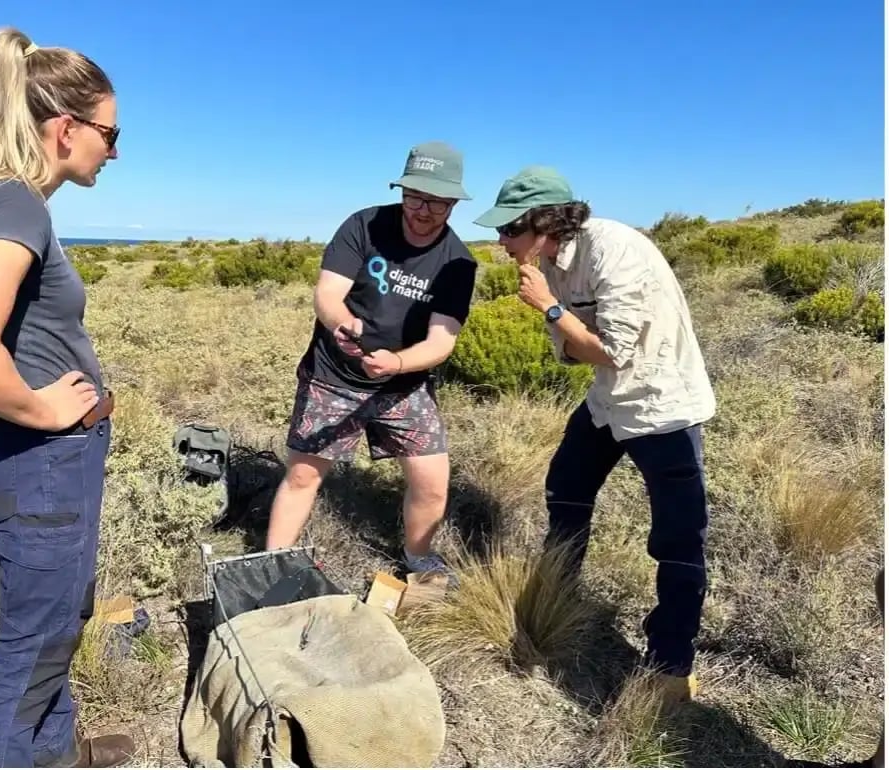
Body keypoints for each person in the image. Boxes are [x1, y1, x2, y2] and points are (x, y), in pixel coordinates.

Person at [0, 27, 134, 768]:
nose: (114, 152)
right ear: (66, 128)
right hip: (40, 461)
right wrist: (46, 410)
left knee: (56, 629)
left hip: (45, 463)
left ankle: (54, 753)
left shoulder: (3, 199)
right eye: (110, 135)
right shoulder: (14, 203)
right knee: (28, 652)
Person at [473, 165, 717, 702]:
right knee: (566, 486)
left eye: (508, 229)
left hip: (660, 404)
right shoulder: (549, 263)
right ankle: (558, 596)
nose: (500, 241)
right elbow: (574, 355)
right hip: (609, 401)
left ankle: (671, 667)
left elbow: (609, 351)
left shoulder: (614, 249)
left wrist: (550, 308)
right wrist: (560, 315)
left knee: (677, 539)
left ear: (543, 221)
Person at [265, 141, 478, 577]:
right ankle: (272, 566)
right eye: (415, 196)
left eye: (437, 202)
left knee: (432, 483)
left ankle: (419, 558)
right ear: (402, 190)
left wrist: (398, 364)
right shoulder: (364, 225)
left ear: (454, 202)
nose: (423, 210)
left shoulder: (458, 262)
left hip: (404, 385)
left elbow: (442, 341)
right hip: (334, 375)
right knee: (304, 475)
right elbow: (327, 294)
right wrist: (341, 323)